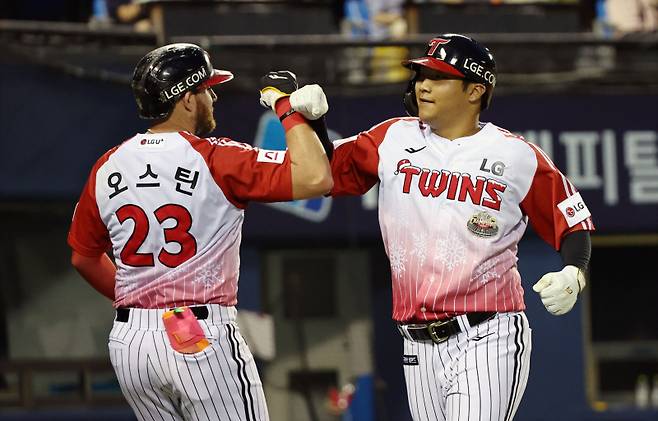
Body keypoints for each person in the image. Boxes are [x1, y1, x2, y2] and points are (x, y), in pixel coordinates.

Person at [320, 34, 595, 420]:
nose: (423, 85)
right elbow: (322, 175)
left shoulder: (515, 154)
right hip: (416, 343)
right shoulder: (393, 137)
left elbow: (572, 219)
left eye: (438, 77)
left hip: (486, 333)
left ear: (475, 91)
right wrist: (309, 123)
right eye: (420, 76)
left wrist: (575, 272)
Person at [67, 43, 332, 421]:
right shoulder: (217, 158)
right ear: (187, 99)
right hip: (195, 332)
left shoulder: (108, 164)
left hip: (131, 343)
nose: (214, 96)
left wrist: (144, 302)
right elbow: (316, 177)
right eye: (207, 89)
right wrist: (285, 107)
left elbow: (83, 256)